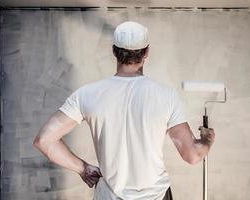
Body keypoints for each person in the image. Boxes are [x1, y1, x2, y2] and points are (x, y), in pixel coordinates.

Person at [33, 21, 215, 200]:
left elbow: (44, 141)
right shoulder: (166, 95)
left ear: (114, 51)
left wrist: (83, 168)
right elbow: (192, 156)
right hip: (156, 196)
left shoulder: (87, 94)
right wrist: (207, 140)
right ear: (147, 52)